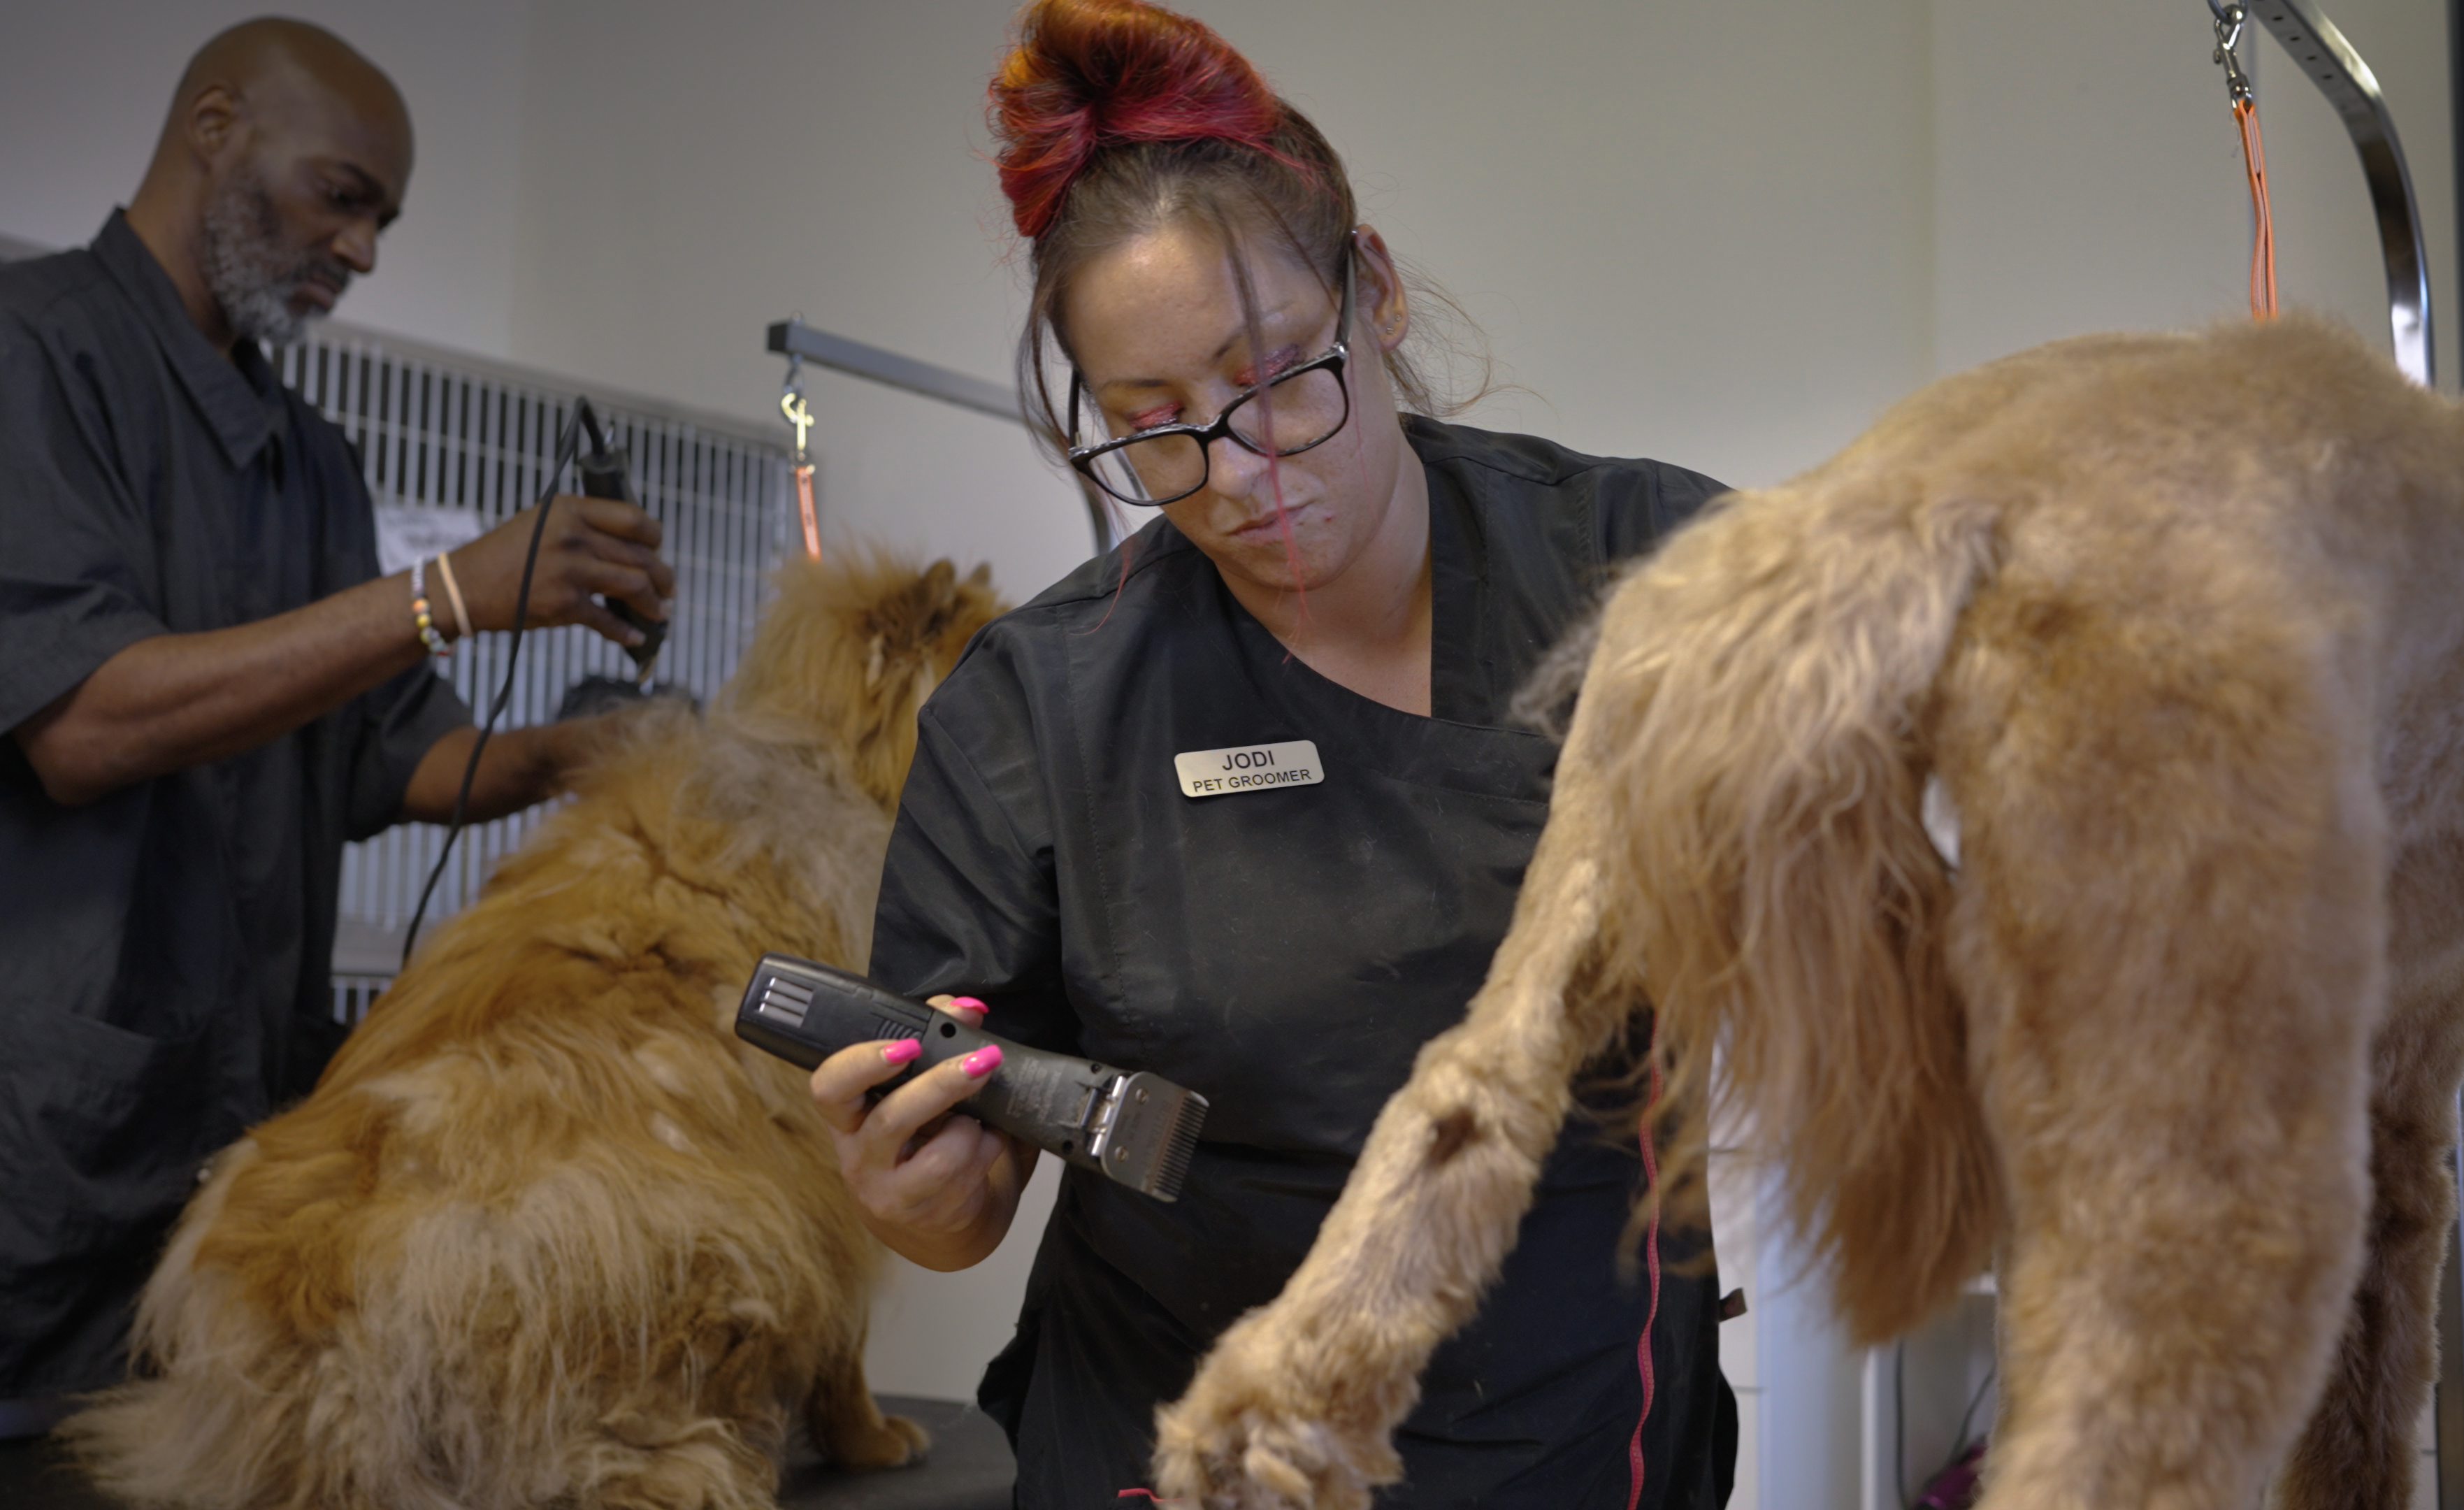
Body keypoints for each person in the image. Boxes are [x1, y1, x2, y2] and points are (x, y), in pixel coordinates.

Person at [809, 3, 1736, 1503]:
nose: (1235, 475)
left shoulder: (1649, 566)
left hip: (1566, 1425)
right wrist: (921, 1194)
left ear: (1371, 294)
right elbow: (960, 1197)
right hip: (1179, 1439)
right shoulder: (1041, 704)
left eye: (1277, 374)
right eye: (1152, 427)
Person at [0, 19, 675, 1425]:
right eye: (340, 195)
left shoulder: (313, 460)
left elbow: (394, 756)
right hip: (48, 1161)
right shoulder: (32, 357)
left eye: (384, 219)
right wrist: (448, 590)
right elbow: (83, 722)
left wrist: (586, 753)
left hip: (244, 1156)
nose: (361, 249)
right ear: (214, 129)